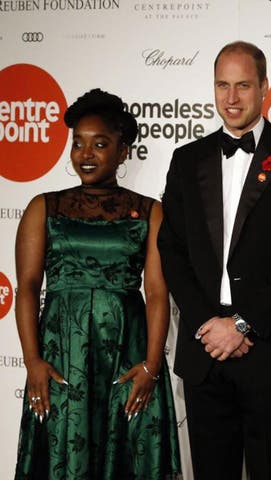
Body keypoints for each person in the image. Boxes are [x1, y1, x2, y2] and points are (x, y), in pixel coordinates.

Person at [157, 40, 271, 480]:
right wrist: (206, 324)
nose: (231, 98)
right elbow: (171, 248)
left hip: (268, 351)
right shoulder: (185, 159)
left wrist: (242, 323)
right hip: (204, 349)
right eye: (222, 85)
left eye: (243, 86)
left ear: (264, 87)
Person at [14, 89, 181, 479]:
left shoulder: (150, 211)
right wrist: (33, 362)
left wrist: (152, 366)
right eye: (78, 144)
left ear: (123, 152)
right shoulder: (45, 206)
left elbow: (157, 294)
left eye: (99, 144)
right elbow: (26, 287)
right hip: (61, 358)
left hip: (125, 356)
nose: (85, 154)